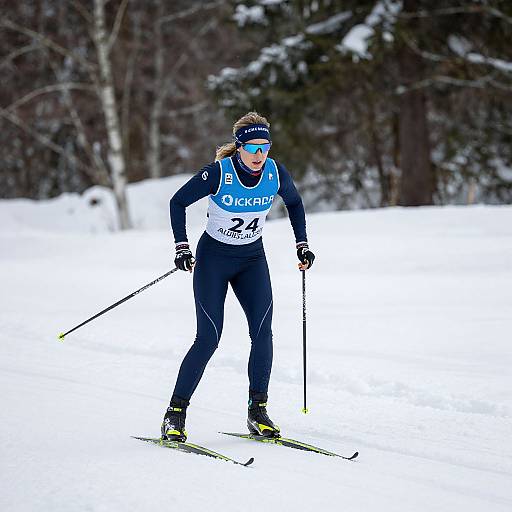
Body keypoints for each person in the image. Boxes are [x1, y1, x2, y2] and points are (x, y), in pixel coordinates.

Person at [162, 112, 315, 442]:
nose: (260, 155)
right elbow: (177, 202)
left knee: (263, 333)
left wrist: (302, 244)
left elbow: (295, 203)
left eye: (266, 147)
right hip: (213, 260)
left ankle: (257, 411)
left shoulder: (275, 172)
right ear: (240, 147)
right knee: (208, 338)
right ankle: (175, 414)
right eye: (253, 147)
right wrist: (181, 247)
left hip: (251, 261)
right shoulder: (219, 173)